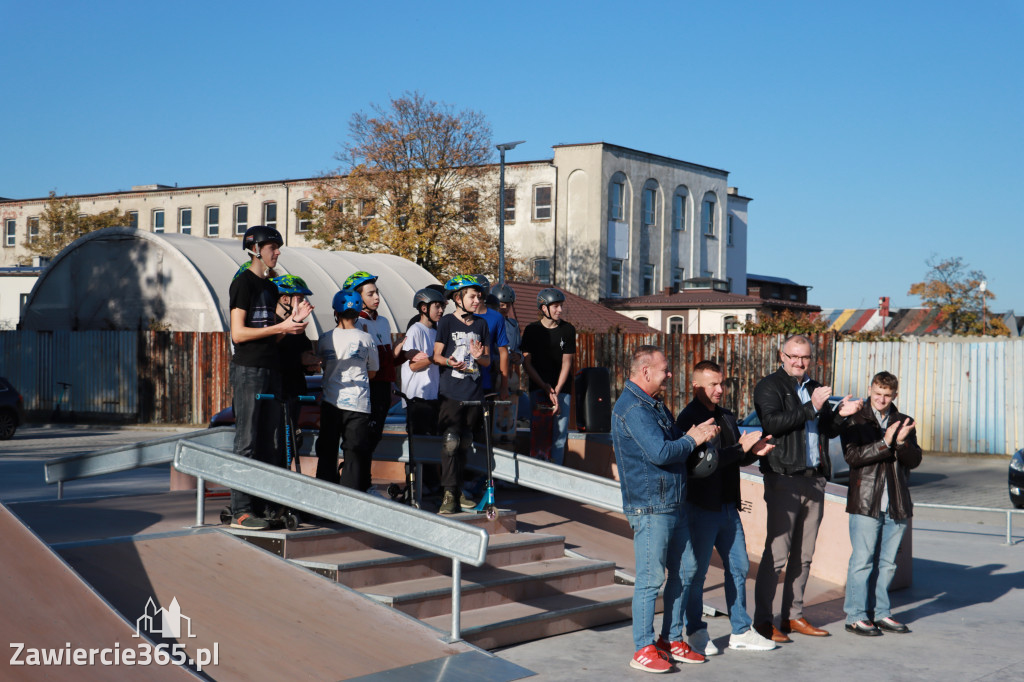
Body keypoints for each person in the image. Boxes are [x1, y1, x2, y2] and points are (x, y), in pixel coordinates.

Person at [611, 344, 721, 673]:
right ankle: (643, 647)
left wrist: (696, 436)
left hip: (673, 501)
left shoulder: (654, 404)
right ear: (645, 372)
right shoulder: (632, 408)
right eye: (664, 370)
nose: (669, 375)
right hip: (650, 506)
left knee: (685, 571)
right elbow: (660, 452)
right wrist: (694, 439)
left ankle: (670, 638)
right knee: (650, 578)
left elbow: (676, 439)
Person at [752, 334, 861, 642]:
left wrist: (840, 415)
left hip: (814, 479)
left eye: (805, 357)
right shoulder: (769, 386)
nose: (799, 362)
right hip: (783, 477)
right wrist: (811, 407)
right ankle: (762, 621)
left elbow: (825, 428)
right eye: (793, 356)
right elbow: (772, 423)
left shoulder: (813, 387)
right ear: (781, 356)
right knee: (777, 554)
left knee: (805, 555)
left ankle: (792, 616)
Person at [675, 361, 776, 656]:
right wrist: (740, 450)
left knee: (739, 566)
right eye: (712, 384)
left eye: (721, 383)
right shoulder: (689, 419)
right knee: (696, 573)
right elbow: (705, 463)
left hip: (728, 508)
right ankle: (695, 631)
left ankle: (741, 630)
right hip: (700, 508)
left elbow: (733, 458)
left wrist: (752, 453)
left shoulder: (727, 416)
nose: (720, 390)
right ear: (696, 387)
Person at [228, 225, 311, 530]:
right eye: (272, 247)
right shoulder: (243, 284)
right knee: (247, 440)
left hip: (271, 369)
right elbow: (238, 333)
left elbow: (271, 338)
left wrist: (293, 324)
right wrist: (281, 327)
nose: (277, 253)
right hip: (248, 370)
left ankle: (264, 505)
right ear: (255, 249)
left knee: (272, 442)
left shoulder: (272, 287)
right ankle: (241, 509)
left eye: (278, 248)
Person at [840, 371, 921, 636]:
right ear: (870, 389)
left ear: (894, 395)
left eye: (887, 395)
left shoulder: (904, 421)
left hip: (896, 501)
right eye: (877, 394)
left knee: (888, 564)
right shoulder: (856, 418)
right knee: (862, 561)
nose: (881, 400)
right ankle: (855, 615)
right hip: (866, 502)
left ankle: (881, 613)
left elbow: (915, 460)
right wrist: (885, 443)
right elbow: (852, 456)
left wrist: (901, 443)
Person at [432, 275, 490, 515]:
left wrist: (479, 357)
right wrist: (449, 361)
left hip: (474, 393)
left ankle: (460, 491)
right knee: (450, 442)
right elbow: (435, 356)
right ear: (458, 298)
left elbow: (486, 361)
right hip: (451, 393)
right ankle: (447, 492)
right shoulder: (446, 323)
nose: (477, 300)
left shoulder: (481, 325)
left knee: (465, 442)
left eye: (479, 296)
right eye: (472, 296)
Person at [315, 289, 379, 491]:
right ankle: (350, 499)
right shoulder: (366, 339)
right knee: (354, 453)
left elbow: (322, 366)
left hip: (331, 402)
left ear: (336, 312)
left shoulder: (325, 338)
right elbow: (373, 372)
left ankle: (324, 498)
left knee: (327, 452)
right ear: (359, 311)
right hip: (358, 405)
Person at [344, 271, 403, 459]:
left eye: (377, 292)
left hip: (384, 387)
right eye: (370, 294)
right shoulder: (355, 322)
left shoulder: (384, 321)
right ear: (357, 297)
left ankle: (363, 481)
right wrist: (394, 353)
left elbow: (388, 362)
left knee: (375, 436)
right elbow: (365, 362)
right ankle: (358, 480)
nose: (377, 297)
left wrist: (404, 355)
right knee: (363, 438)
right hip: (366, 387)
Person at [522, 287, 576, 465]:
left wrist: (557, 390)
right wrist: (545, 387)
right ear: (544, 308)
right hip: (539, 388)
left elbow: (567, 362)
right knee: (538, 433)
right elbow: (527, 363)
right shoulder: (531, 330)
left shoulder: (568, 330)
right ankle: (537, 478)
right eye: (555, 306)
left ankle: (556, 476)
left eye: (561, 306)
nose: (560, 310)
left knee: (559, 435)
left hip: (562, 389)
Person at [271, 274, 320, 448]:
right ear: (285, 298)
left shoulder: (298, 326)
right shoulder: (270, 323)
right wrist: (300, 359)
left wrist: (311, 364)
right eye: (300, 298)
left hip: (294, 391)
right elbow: (270, 354)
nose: (304, 303)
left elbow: (304, 352)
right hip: (275, 393)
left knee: (291, 443)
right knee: (277, 443)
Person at [400, 287, 445, 436]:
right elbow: (413, 366)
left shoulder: (434, 332)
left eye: (442, 306)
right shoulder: (415, 330)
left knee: (429, 448)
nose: (441, 310)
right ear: (424, 308)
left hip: (431, 396)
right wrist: (433, 359)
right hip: (416, 397)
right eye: (437, 306)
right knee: (418, 447)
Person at [472, 274, 510, 402]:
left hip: (487, 380)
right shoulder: (460, 315)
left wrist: (504, 386)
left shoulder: (496, 317)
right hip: (461, 382)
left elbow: (503, 352)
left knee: (486, 420)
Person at [491, 284, 521, 444]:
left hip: (510, 375)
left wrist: (519, 356)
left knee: (508, 414)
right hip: (493, 373)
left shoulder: (513, 325)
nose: (504, 308)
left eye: (507, 305)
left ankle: (507, 441)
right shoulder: (489, 322)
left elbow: (519, 348)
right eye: (501, 305)